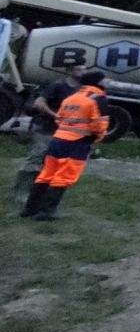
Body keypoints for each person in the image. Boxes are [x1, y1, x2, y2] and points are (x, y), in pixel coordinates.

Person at [20, 69, 109, 221]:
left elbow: (59, 118)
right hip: (78, 143)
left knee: (46, 174)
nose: (107, 82)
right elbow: (99, 125)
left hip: (58, 140)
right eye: (104, 79)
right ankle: (47, 212)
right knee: (63, 177)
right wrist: (96, 138)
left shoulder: (72, 97)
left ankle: (30, 209)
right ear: (98, 82)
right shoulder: (98, 99)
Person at [12, 60, 86, 206]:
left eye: (84, 69)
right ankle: (22, 192)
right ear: (69, 71)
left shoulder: (81, 89)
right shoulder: (58, 86)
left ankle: (39, 194)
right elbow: (39, 103)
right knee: (35, 160)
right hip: (46, 129)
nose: (83, 72)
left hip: (64, 134)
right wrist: (55, 115)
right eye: (79, 70)